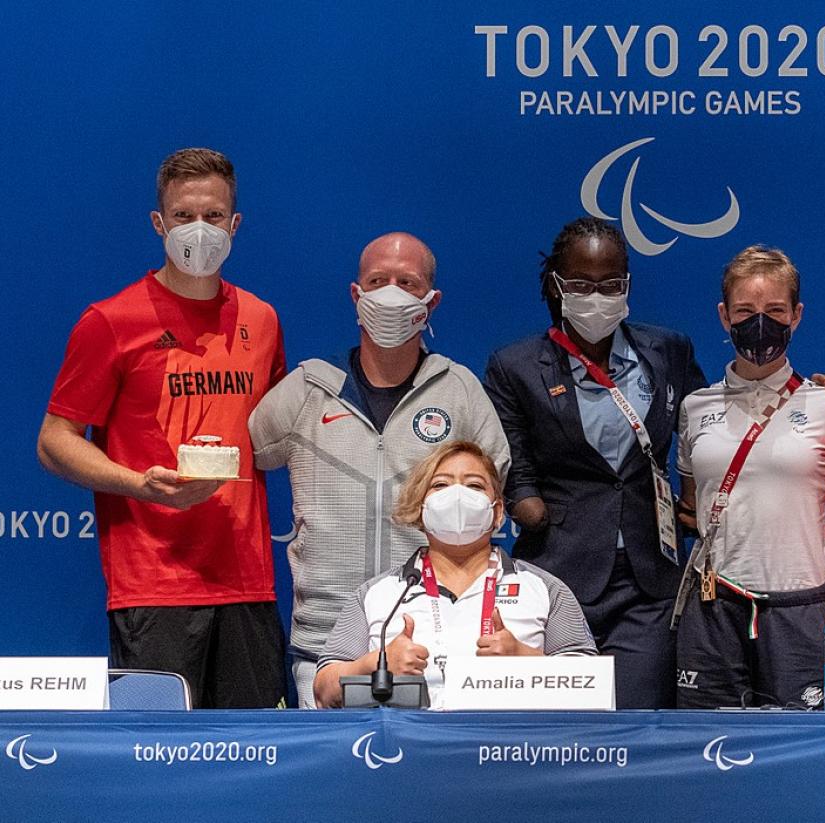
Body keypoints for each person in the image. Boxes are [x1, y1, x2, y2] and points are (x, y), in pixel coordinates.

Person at [37, 147, 287, 708]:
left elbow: (271, 436)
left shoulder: (262, 320)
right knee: (154, 766)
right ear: (159, 223)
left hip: (247, 579)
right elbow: (54, 442)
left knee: (254, 763)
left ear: (235, 224)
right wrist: (138, 484)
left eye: (214, 216)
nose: (200, 229)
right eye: (183, 216)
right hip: (154, 583)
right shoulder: (110, 321)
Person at [249, 232, 509, 708]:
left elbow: (490, 492)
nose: (390, 293)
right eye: (378, 280)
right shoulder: (308, 386)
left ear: (432, 301)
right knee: (330, 779)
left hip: (432, 643)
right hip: (324, 646)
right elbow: (247, 453)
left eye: (407, 283)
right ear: (357, 294)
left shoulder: (461, 392)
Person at [483, 216, 708, 709]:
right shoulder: (515, 366)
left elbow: (709, 426)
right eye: (582, 285)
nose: (597, 295)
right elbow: (513, 462)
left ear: (628, 285)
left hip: (649, 576)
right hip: (558, 570)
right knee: (562, 729)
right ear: (557, 285)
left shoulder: (668, 350)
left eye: (611, 284)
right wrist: (526, 501)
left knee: (636, 722)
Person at [674, 246, 825, 709]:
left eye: (775, 311)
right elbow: (691, 504)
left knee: (806, 756)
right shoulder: (694, 408)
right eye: (745, 312)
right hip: (715, 608)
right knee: (705, 752)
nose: (760, 324)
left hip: (801, 609)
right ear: (723, 317)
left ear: (797, 315)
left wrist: (821, 553)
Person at [313, 440, 595, 709]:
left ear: (497, 513)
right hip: (406, 748)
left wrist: (524, 658)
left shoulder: (544, 589)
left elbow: (593, 685)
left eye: (474, 485)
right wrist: (376, 663)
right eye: (440, 485)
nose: (457, 495)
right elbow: (323, 690)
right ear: (420, 509)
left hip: (508, 748)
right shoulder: (377, 594)